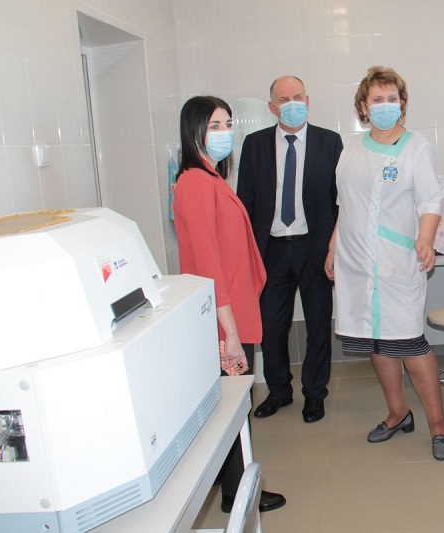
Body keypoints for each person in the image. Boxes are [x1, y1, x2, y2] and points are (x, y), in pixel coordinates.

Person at [324, 66, 444, 460]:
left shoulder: (415, 146)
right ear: (364, 106)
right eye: (376, 99)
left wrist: (426, 239)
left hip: (397, 260)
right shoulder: (351, 148)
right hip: (355, 261)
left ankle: (438, 424)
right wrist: (332, 248)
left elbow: (430, 201)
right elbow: (344, 206)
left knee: (410, 343)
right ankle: (398, 413)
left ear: (402, 103)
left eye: (391, 98)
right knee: (377, 341)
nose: (384, 105)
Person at [173, 95, 286, 513]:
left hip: (235, 309)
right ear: (194, 131)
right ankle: (237, 495)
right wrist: (231, 334)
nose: (225, 133)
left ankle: (233, 486)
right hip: (225, 319)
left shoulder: (212, 178)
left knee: (234, 404)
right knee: (234, 407)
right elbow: (208, 263)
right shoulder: (195, 183)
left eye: (227, 124)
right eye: (215, 126)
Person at [237, 76, 343, 423]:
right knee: (271, 327)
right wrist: (248, 253)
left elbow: (340, 201)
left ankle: (315, 393)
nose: (292, 104)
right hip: (271, 250)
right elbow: (245, 202)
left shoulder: (330, 142)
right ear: (272, 107)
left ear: (308, 101)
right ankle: (279, 391)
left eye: (298, 97)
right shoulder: (255, 145)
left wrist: (334, 248)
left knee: (318, 325)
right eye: (284, 99)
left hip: (315, 247)